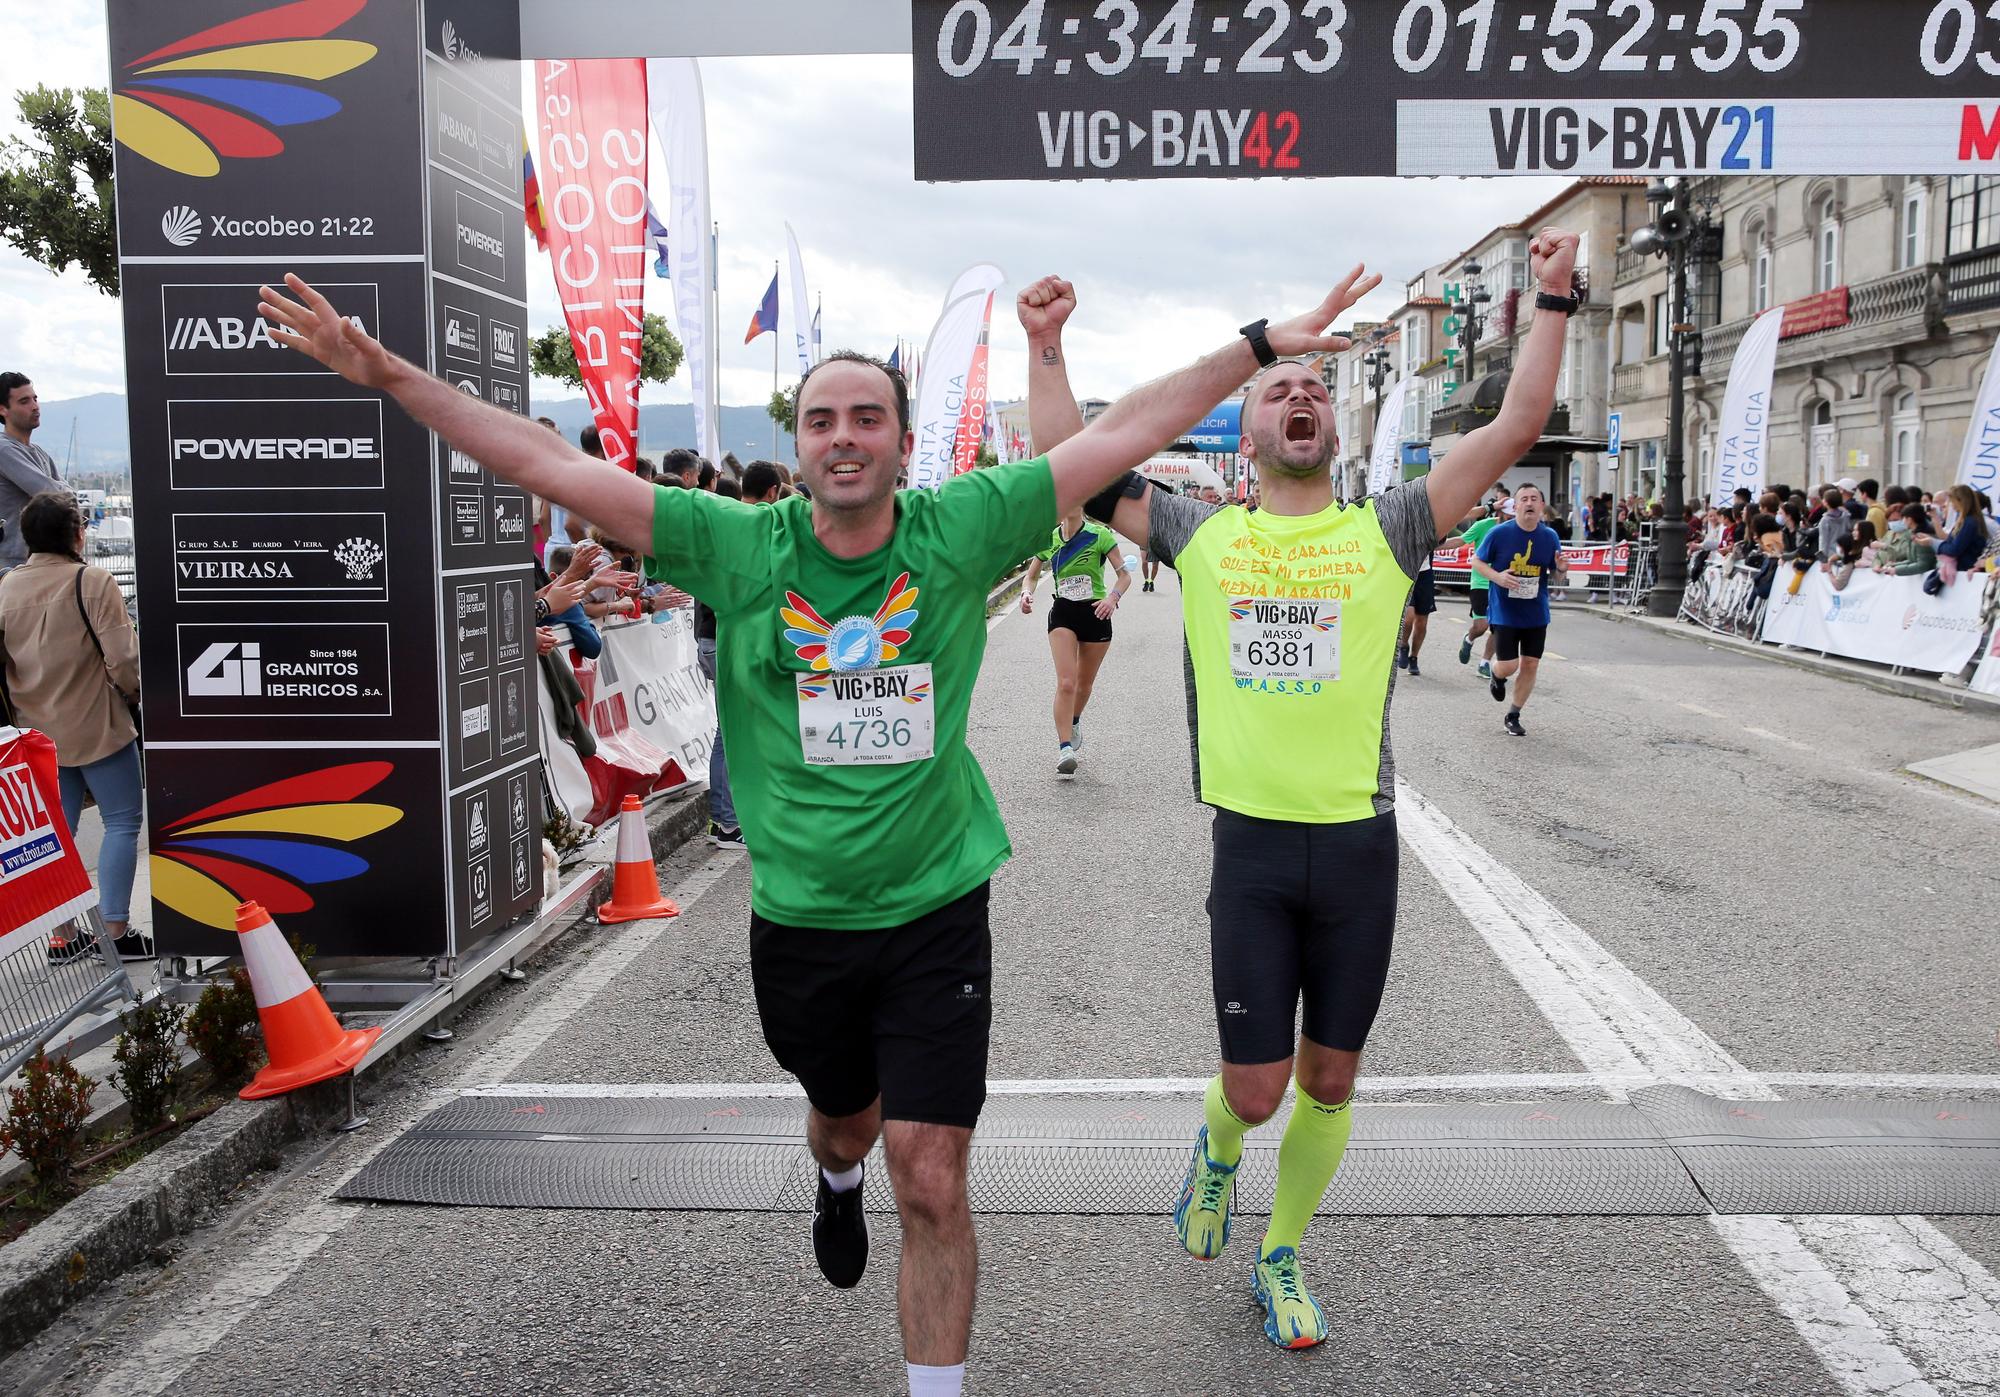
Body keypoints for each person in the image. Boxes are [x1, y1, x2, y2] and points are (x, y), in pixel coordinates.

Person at [257, 263, 1378, 1397]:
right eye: (820, 420)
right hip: (801, 920)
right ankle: (832, 1176)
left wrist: (1250, 344)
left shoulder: (962, 527)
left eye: (867, 418)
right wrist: (384, 370)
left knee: (930, 1171)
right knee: (846, 1128)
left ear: (900, 443)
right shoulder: (738, 547)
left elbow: (1124, 428)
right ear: (796, 447)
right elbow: (546, 463)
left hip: (937, 908)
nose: (844, 438)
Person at [1026, 230, 1582, 1351]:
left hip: (1358, 846)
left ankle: (1279, 1253)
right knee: (1257, 1082)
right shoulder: (1203, 532)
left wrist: (1556, 297)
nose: (1295, 396)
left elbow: (1515, 426)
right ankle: (1217, 1145)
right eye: (1276, 385)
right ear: (1245, 428)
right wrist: (1045, 349)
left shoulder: (1387, 528)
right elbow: (1072, 461)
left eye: (1310, 389)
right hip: (1253, 848)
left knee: (1329, 1075)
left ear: (1328, 433)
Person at [0, 492, 148, 960]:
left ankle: (63, 936)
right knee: (122, 822)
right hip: (98, 726)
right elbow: (123, 659)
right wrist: (131, 693)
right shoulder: (93, 581)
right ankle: (116, 929)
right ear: (77, 534)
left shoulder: (6, 588)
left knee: (54, 837)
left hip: (36, 737)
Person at [1018, 501, 1131, 774]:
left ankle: (1075, 719)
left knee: (1083, 684)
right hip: (1063, 613)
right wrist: (1025, 593)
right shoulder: (1050, 539)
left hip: (1096, 613)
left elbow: (1124, 576)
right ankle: (1065, 747)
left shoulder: (1100, 535)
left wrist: (1112, 599)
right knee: (1066, 682)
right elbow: (1030, 577)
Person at [1472, 482, 1569, 737]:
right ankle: (1496, 673)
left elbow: (1556, 578)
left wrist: (1561, 569)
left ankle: (1513, 714)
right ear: (1515, 506)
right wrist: (1497, 577)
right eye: (1523, 499)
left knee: (1531, 664)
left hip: (1536, 612)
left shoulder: (1549, 537)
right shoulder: (1500, 533)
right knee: (1509, 665)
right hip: (1505, 610)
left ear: (1541, 506)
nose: (1529, 503)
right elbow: (1478, 561)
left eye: (1534, 499)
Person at [0, 374, 63, 574]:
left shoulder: (40, 453)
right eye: (24, 401)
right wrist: (63, 495)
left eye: (35, 399)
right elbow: (50, 491)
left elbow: (65, 498)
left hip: (39, 563)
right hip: (11, 567)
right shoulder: (4, 450)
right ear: (3, 410)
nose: (35, 406)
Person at [1456, 499, 1505, 677]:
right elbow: (1461, 540)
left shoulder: (1518, 531)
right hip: (1481, 583)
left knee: (1499, 627)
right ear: (1500, 512)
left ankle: (1484, 662)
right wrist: (1432, 545)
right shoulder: (1484, 526)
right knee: (1481, 626)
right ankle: (1469, 639)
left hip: (1502, 584)